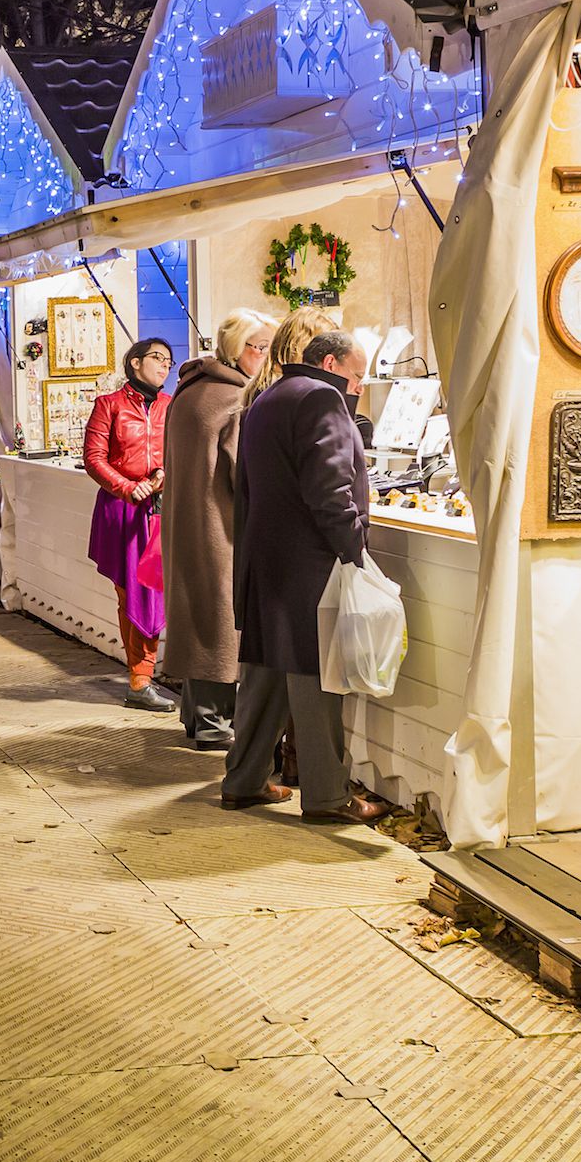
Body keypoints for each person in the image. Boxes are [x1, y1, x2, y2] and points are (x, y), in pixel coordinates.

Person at [221, 328, 385, 824]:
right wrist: (355, 550)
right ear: (332, 363)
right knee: (316, 682)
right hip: (310, 565)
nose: (358, 387)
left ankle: (244, 781)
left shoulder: (267, 396)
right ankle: (328, 797)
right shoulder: (322, 399)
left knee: (265, 676)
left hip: (265, 559)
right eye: (356, 375)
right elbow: (331, 489)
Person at [161, 309, 277, 751]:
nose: (266, 358)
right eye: (261, 348)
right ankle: (213, 725)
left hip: (187, 520)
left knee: (195, 614)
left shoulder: (190, 390)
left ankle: (196, 717)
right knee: (218, 622)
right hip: (219, 525)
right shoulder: (233, 398)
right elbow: (240, 473)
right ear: (238, 349)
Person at [83, 336, 174, 710]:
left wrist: (165, 475)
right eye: (157, 358)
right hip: (122, 511)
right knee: (132, 593)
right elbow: (93, 457)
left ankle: (147, 673)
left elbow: (182, 451)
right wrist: (126, 487)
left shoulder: (173, 406)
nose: (164, 366)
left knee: (158, 592)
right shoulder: (109, 406)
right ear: (135, 363)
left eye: (168, 361)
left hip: (163, 507)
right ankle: (140, 678)